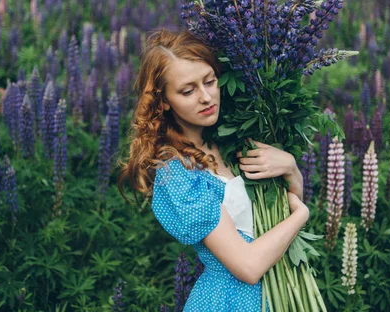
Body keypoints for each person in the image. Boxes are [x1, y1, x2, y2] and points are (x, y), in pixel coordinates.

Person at [118, 29, 309, 311]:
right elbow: (248, 266)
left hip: (281, 292)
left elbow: (282, 208)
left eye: (210, 81)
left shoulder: (235, 138)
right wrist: (302, 214)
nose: (206, 97)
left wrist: (292, 170)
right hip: (229, 301)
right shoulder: (178, 173)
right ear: (165, 100)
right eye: (188, 90)